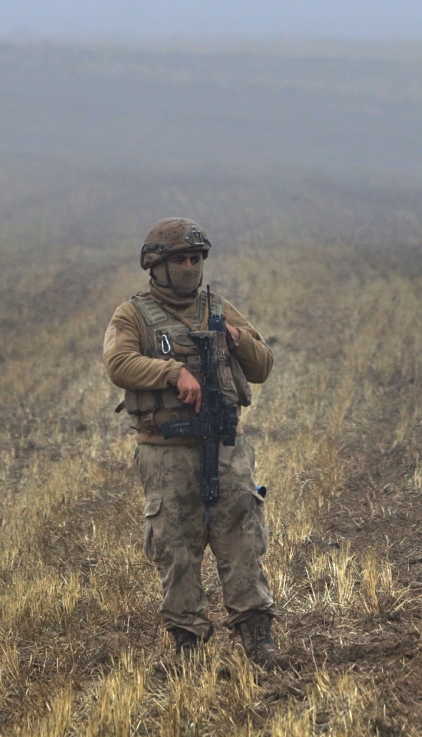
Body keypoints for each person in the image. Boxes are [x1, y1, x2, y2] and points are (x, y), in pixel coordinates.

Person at [102, 218, 278, 664]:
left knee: (241, 536)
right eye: (178, 259)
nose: (188, 266)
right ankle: (188, 645)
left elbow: (262, 367)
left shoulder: (218, 308)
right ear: (156, 265)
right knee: (176, 547)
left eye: (194, 259)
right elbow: (119, 363)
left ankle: (257, 636)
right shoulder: (132, 315)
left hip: (224, 446)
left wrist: (234, 337)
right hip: (166, 450)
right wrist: (171, 372)